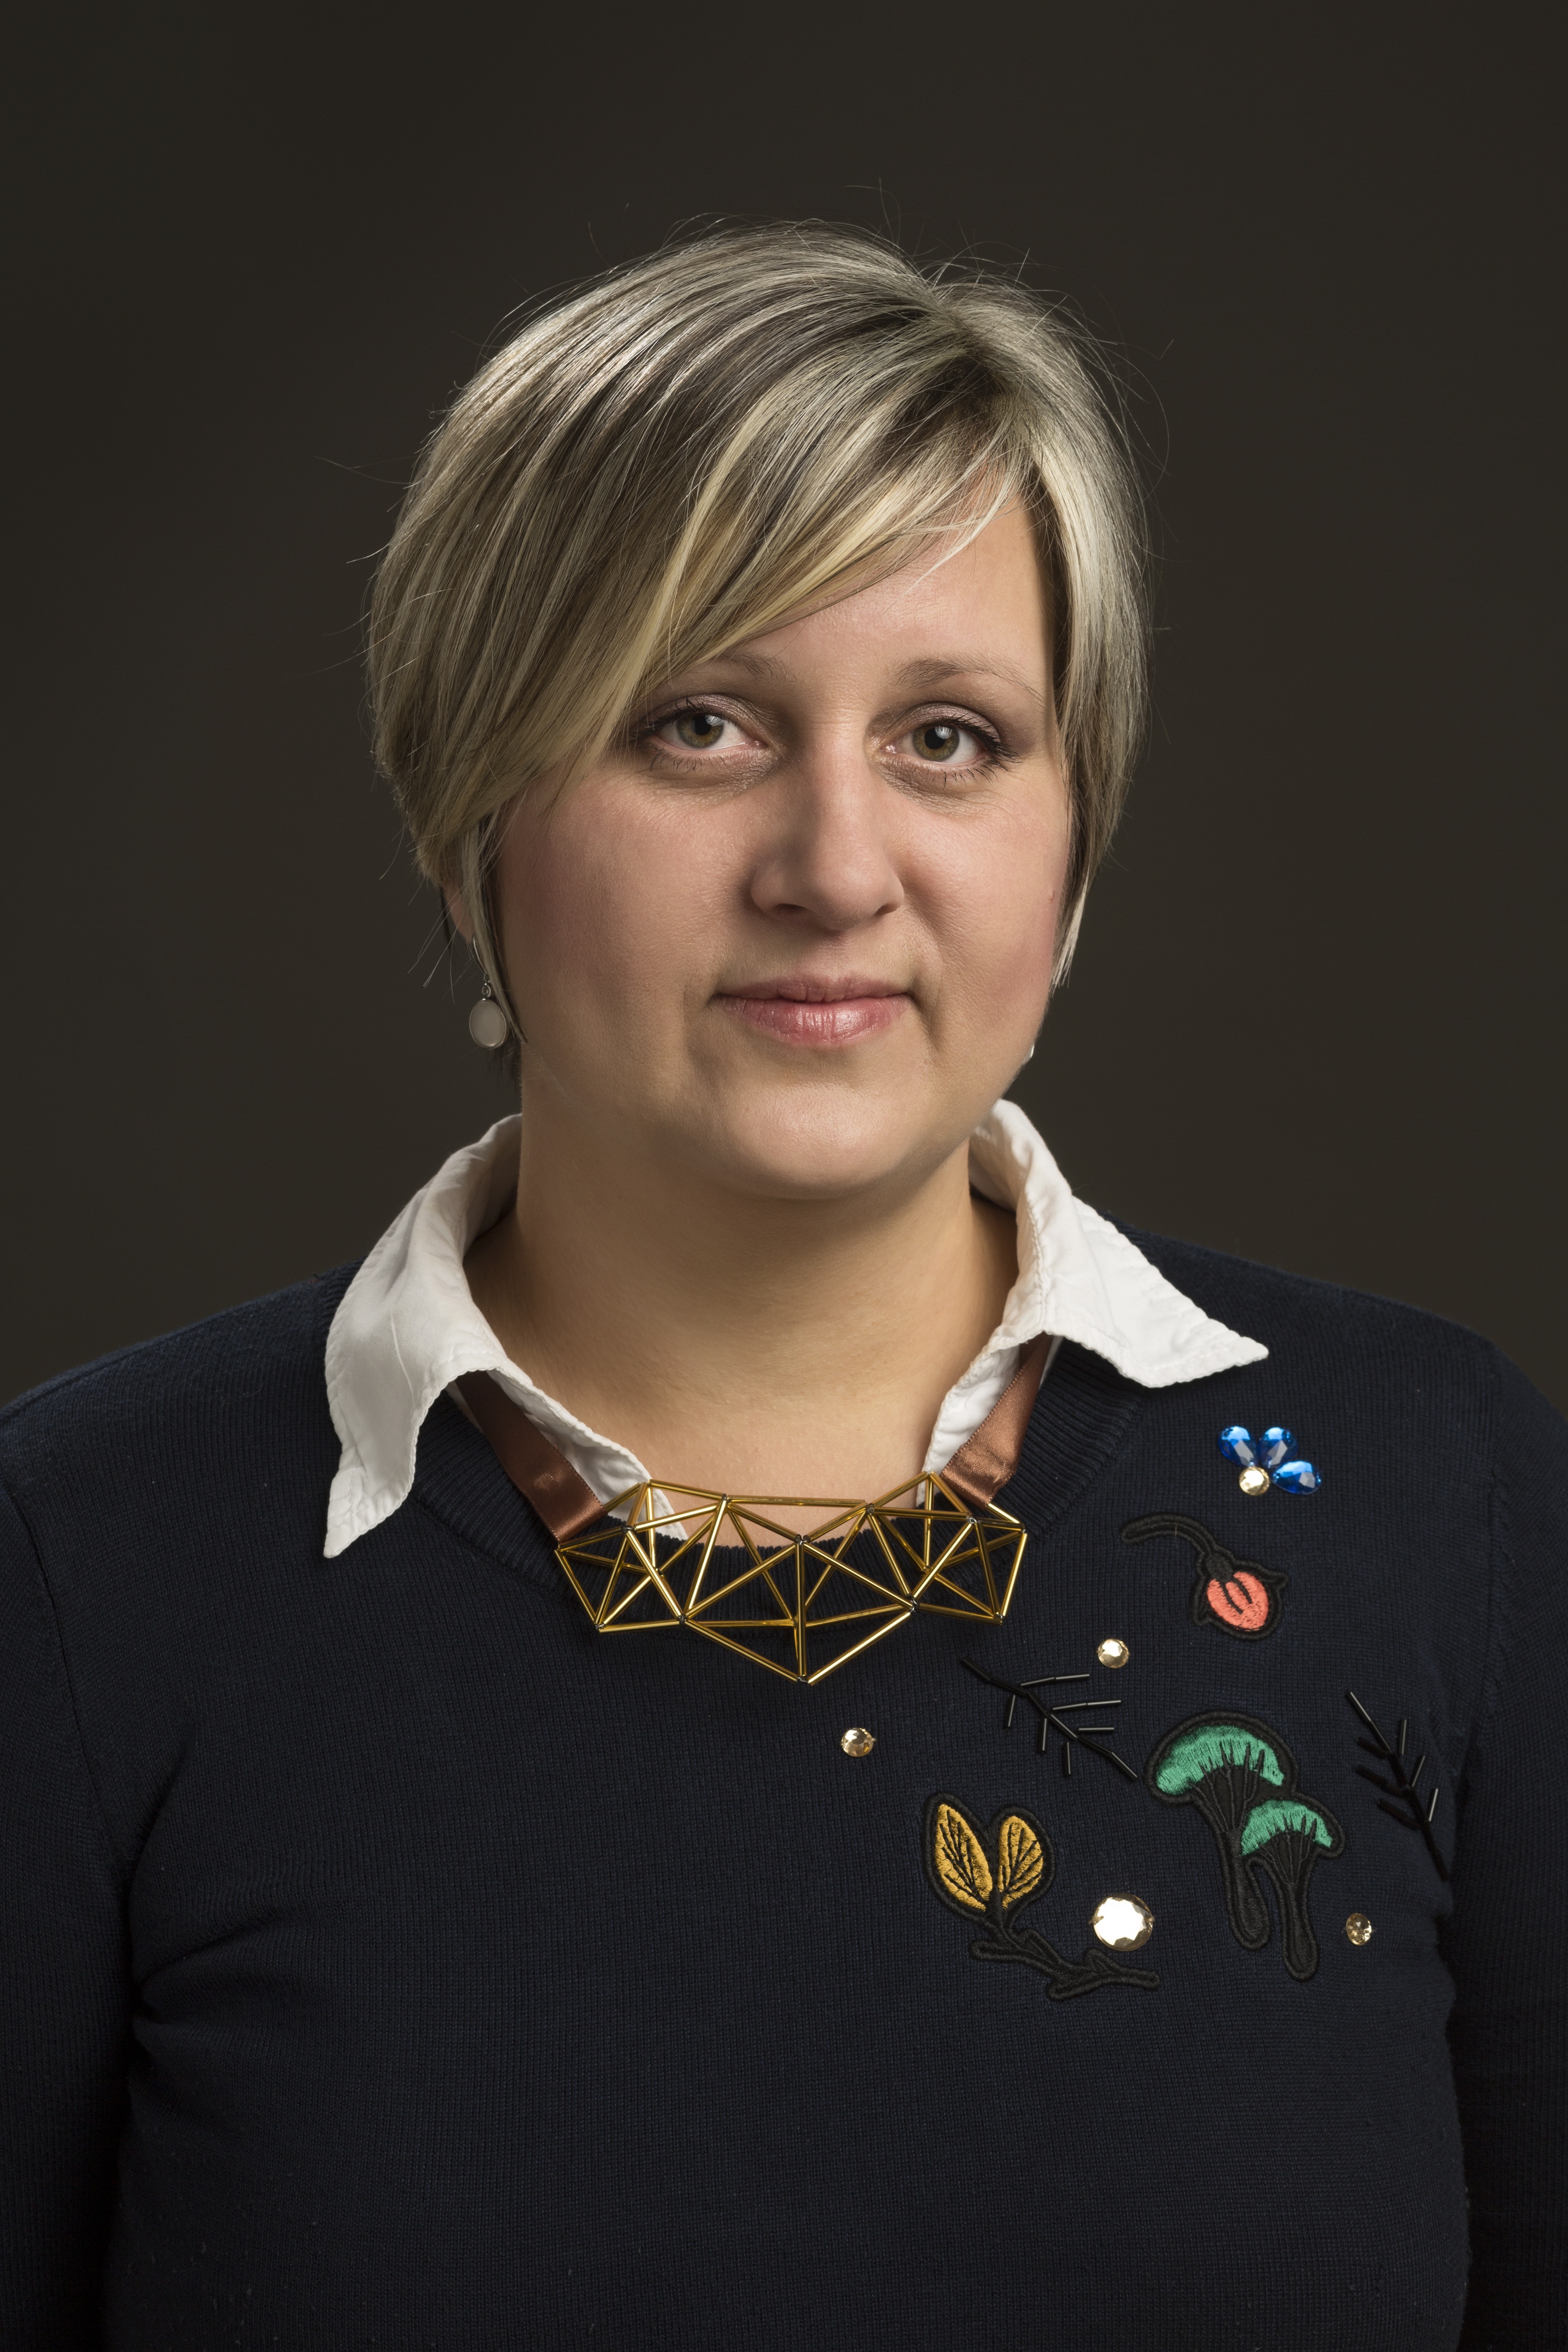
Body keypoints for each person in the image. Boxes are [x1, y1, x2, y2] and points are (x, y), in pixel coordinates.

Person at [1, 223, 1562, 2352]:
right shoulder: (76, 1569)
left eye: (949, 738)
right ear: (468, 823)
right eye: (699, 724)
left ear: (1070, 852)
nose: (833, 869)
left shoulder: (1446, 1496)